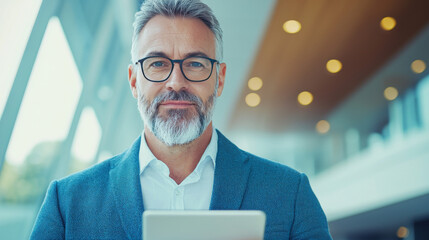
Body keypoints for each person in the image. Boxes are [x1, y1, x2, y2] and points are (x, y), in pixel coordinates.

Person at [31, 0, 332, 239]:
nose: (176, 81)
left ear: (220, 79)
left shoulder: (290, 193)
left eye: (196, 63)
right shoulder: (67, 203)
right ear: (134, 80)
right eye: (158, 63)